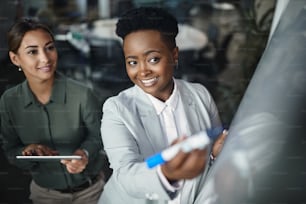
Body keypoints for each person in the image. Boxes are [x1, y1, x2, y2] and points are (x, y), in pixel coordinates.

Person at [98, 7, 227, 204]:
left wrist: (216, 155)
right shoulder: (116, 110)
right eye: (132, 62)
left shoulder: (200, 95)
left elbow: (210, 159)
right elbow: (126, 174)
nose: (143, 71)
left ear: (174, 55)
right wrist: (167, 173)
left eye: (153, 59)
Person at [0, 18, 106, 204]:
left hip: (91, 194)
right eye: (33, 51)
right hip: (44, 196)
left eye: (49, 47)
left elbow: (99, 135)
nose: (45, 58)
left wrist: (85, 154)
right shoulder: (9, 102)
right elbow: (10, 151)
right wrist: (27, 152)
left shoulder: (83, 95)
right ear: (15, 58)